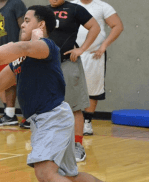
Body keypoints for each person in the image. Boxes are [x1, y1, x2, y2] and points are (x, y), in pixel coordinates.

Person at [0, 6, 145, 182]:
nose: (22, 24)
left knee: (45, 173)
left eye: (28, 20)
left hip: (52, 118)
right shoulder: (21, 57)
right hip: (48, 120)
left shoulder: (45, 46)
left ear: (41, 25)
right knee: (69, 177)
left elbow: (18, 46)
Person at [48, 0, 100, 162]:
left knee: (74, 106)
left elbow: (95, 27)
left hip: (67, 63)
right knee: (48, 107)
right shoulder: (43, 12)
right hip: (46, 65)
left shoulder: (74, 9)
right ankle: (51, 145)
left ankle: (77, 145)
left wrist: (82, 49)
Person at [72, 0, 124, 136]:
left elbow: (117, 26)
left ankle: (87, 123)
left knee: (92, 88)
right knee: (69, 87)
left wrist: (104, 45)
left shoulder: (103, 7)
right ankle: (70, 121)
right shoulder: (71, 5)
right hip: (72, 53)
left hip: (93, 54)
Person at [0, 0, 26, 127]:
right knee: (7, 84)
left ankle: (29, 116)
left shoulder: (16, 3)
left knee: (22, 83)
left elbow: (24, 27)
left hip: (16, 50)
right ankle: (10, 114)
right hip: (2, 52)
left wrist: (20, 48)